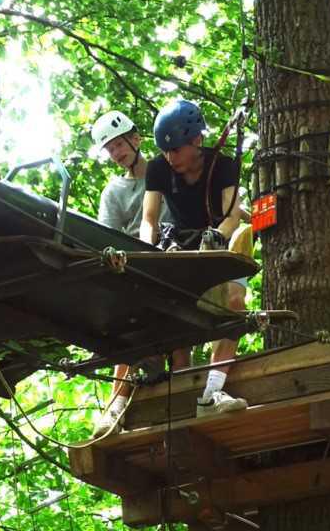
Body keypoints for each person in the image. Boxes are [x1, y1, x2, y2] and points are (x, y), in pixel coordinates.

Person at [141, 99, 249, 417]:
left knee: (234, 304)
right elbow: (149, 218)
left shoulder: (224, 166)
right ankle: (181, 394)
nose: (169, 157)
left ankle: (212, 393)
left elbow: (231, 216)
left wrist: (216, 236)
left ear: (196, 141)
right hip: (180, 246)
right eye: (165, 150)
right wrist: (147, 249)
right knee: (177, 313)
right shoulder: (158, 168)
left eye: (176, 150)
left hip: (218, 245)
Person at [90, 109, 170, 436]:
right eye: (110, 149)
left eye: (119, 145)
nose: (116, 153)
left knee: (180, 330)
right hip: (136, 263)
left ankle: (183, 391)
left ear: (136, 139)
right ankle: (116, 406)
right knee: (130, 324)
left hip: (174, 255)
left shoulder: (167, 172)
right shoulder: (115, 192)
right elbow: (106, 238)